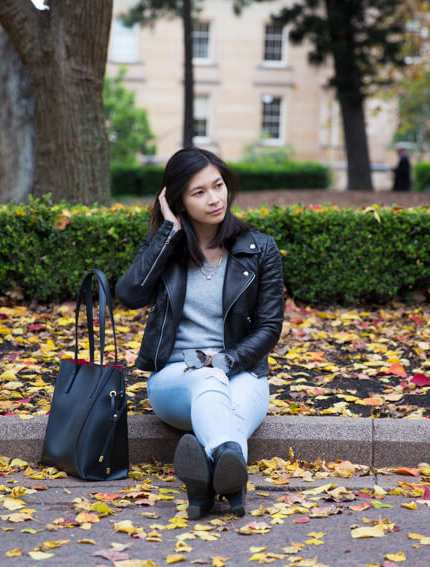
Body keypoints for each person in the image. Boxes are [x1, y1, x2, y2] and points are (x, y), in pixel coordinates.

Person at [115, 147, 284, 520]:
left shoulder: (260, 248)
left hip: (243, 373)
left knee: (228, 403)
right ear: (177, 202)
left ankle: (204, 485)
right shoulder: (167, 248)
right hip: (174, 379)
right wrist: (167, 232)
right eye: (198, 192)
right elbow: (129, 294)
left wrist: (227, 361)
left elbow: (270, 327)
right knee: (207, 378)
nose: (214, 199)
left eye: (218, 185)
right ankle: (232, 485)